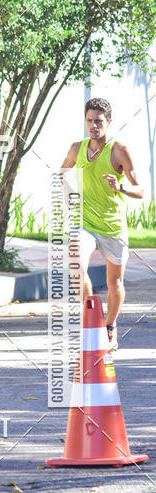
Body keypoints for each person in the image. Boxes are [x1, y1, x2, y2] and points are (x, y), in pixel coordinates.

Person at [61, 97, 144, 348]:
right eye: (89, 120)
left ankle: (109, 325)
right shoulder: (77, 148)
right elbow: (63, 170)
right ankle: (93, 319)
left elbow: (140, 190)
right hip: (85, 221)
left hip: (113, 226)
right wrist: (68, 192)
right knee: (76, 264)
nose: (93, 125)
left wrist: (120, 188)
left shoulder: (119, 150)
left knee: (114, 283)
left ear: (108, 122)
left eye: (98, 121)